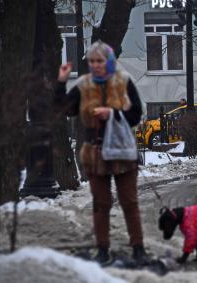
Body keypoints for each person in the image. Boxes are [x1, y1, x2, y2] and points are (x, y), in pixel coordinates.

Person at [55, 41, 147, 265]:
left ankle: (138, 248)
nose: (95, 65)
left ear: (110, 61)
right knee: (101, 204)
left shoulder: (123, 81)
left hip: (122, 151)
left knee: (129, 202)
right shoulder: (84, 85)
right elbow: (64, 110)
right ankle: (103, 250)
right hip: (95, 153)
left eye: (100, 61)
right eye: (92, 61)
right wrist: (61, 81)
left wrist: (113, 113)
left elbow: (137, 114)